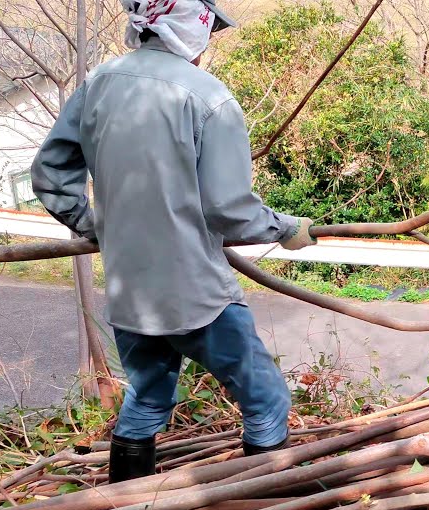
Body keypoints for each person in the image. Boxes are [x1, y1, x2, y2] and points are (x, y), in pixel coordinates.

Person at [31, 0, 312, 482]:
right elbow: (229, 209)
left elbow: (51, 173)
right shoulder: (209, 98)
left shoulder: (100, 82)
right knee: (265, 401)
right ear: (192, 29)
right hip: (196, 294)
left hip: (129, 291)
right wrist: (285, 228)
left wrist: (96, 225)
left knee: (147, 398)